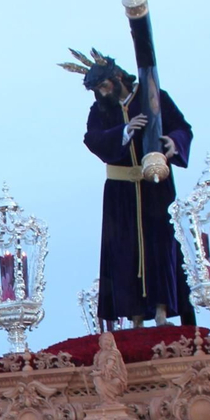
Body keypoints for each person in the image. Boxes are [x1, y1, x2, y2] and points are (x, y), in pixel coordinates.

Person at [75, 51, 195, 327]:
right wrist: (125, 131)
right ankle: (135, 316)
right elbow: (92, 138)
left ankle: (163, 310)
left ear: (117, 77)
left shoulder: (153, 97)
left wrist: (173, 143)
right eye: (97, 90)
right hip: (121, 192)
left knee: (160, 246)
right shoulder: (100, 110)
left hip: (154, 184)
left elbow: (183, 129)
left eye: (104, 86)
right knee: (124, 250)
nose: (102, 94)